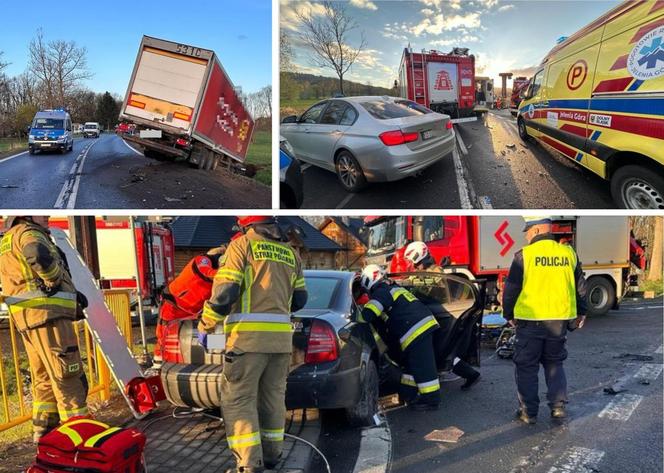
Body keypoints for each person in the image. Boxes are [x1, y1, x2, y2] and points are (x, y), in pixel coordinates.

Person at [198, 216, 307, 473]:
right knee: (273, 399)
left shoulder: (241, 246)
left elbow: (225, 294)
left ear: (245, 225)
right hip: (280, 343)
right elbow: (300, 299)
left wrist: (205, 326)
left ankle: (248, 464)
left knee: (239, 400)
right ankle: (272, 456)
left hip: (246, 343)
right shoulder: (291, 253)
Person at [0, 216, 89, 442]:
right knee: (67, 374)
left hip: (29, 318)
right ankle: (79, 438)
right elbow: (38, 254)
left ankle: (45, 435)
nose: (47, 216)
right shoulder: (29, 231)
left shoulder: (8, 238)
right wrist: (54, 280)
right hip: (49, 316)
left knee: (45, 379)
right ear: (27, 216)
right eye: (42, 214)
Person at [502, 216, 588, 424]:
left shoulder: (525, 255)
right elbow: (580, 286)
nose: (526, 235)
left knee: (526, 366)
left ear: (538, 229)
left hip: (530, 322)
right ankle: (558, 408)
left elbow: (511, 289)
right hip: (559, 322)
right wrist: (581, 312)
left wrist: (508, 314)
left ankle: (528, 412)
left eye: (528, 231)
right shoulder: (568, 253)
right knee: (554, 363)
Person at [358, 264, 441, 411]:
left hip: (417, 329)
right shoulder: (392, 287)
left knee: (423, 366)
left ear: (369, 281)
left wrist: (358, 315)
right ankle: (408, 394)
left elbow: (369, 314)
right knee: (412, 364)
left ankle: (431, 400)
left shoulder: (381, 291)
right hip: (420, 326)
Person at [403, 241, 481, 390]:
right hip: (432, 315)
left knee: (439, 352)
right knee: (443, 353)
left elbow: (424, 292)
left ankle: (469, 375)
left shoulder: (434, 272)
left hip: (436, 316)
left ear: (418, 258)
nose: (412, 265)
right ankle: (471, 374)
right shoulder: (424, 273)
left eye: (413, 261)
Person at [154, 242, 233, 364]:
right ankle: (159, 365)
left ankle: (190, 359)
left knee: (191, 338)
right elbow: (205, 272)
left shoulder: (217, 274)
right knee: (166, 338)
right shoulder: (203, 260)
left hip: (192, 310)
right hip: (174, 305)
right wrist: (229, 274)